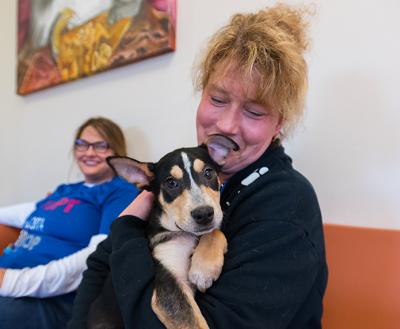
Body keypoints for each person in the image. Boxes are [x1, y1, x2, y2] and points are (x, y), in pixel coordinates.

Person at [69, 4, 327, 329]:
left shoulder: (285, 206)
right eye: (217, 99)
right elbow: (99, 267)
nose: (227, 125)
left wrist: (127, 229)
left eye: (255, 112)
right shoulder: (188, 170)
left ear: (280, 124)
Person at [0, 117, 140, 329]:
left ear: (117, 151)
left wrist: (11, 282)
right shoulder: (64, 190)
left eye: (101, 145)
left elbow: (95, 257)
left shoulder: (120, 192)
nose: (89, 152)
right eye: (82, 144)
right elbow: (24, 214)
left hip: (51, 298)